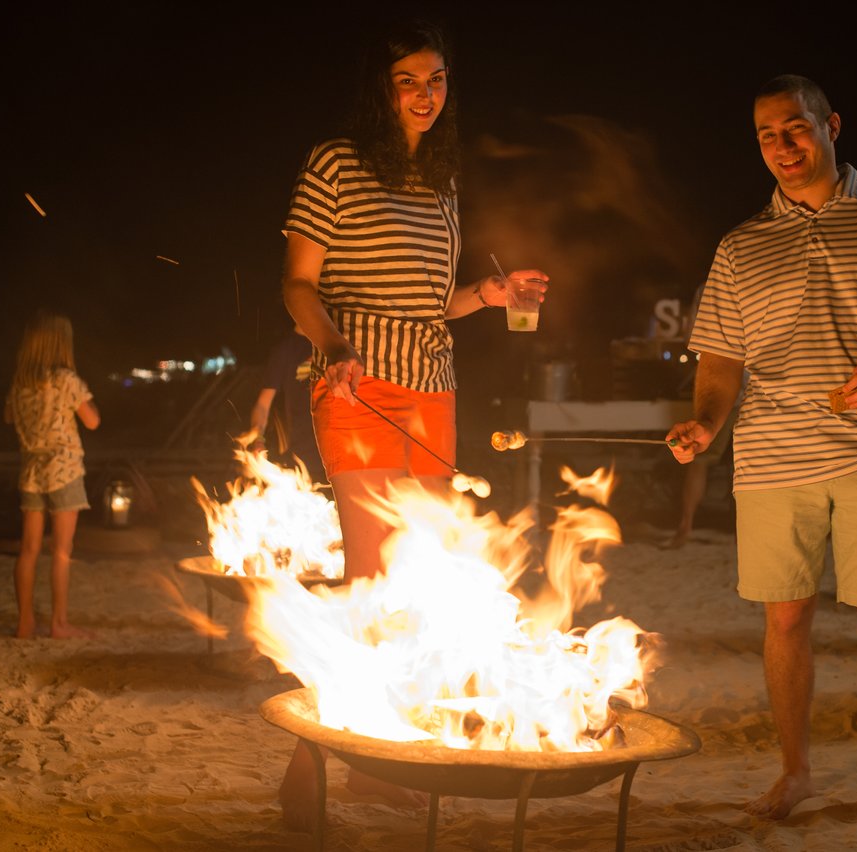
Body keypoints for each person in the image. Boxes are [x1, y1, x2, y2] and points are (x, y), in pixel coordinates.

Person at [666, 74, 857, 824]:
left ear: (831, 125)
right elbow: (720, 360)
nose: (782, 145)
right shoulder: (741, 246)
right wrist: (705, 422)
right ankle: (795, 772)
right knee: (784, 622)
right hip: (771, 456)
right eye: (767, 134)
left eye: (795, 127)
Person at [277, 17, 547, 830]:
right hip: (357, 388)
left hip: (433, 386)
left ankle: (376, 758)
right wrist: (333, 348)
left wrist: (489, 297)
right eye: (408, 80)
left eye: (436, 80)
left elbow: (435, 306)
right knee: (370, 574)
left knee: (419, 578)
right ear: (380, 87)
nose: (425, 95)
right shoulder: (334, 163)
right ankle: (313, 766)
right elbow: (296, 285)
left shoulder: (441, 181)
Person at [4, 310, 101, 640]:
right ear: (62, 344)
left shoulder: (20, 382)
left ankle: (25, 623)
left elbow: (7, 416)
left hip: (31, 471)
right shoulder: (66, 379)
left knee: (28, 549)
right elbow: (92, 421)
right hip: (65, 471)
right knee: (61, 551)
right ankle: (59, 624)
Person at [663, 284, 741, 549]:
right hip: (733, 390)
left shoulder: (708, 287)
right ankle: (686, 525)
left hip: (746, 390)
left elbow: (694, 338)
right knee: (699, 453)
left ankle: (686, 526)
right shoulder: (711, 287)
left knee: (701, 459)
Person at [247, 323, 326, 484]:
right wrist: (258, 439)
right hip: (304, 460)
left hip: (340, 456)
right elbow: (263, 404)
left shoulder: (331, 343)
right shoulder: (285, 351)